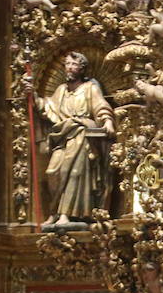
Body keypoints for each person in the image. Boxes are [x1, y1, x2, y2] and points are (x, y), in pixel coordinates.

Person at [36, 51, 115, 228]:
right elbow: (47, 108)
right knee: (53, 172)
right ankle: (55, 211)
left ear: (82, 69)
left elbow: (101, 107)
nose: (69, 68)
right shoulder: (61, 91)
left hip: (82, 135)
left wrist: (108, 122)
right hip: (63, 136)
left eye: (74, 64)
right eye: (67, 64)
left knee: (73, 173)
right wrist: (32, 96)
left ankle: (67, 214)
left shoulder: (89, 88)